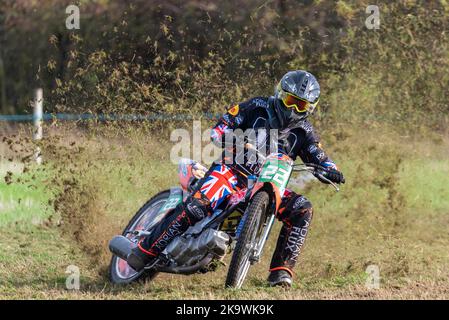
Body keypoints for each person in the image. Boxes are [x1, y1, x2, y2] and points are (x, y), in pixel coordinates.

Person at [126, 70, 345, 287]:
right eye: (290, 100)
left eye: (301, 105)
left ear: (310, 109)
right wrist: (228, 136)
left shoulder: (305, 132)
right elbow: (222, 126)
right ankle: (146, 249)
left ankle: (281, 272)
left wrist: (330, 169)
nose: (293, 109)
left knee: (303, 208)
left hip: (271, 184)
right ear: (280, 94)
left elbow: (319, 156)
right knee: (197, 206)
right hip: (232, 172)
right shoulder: (256, 106)